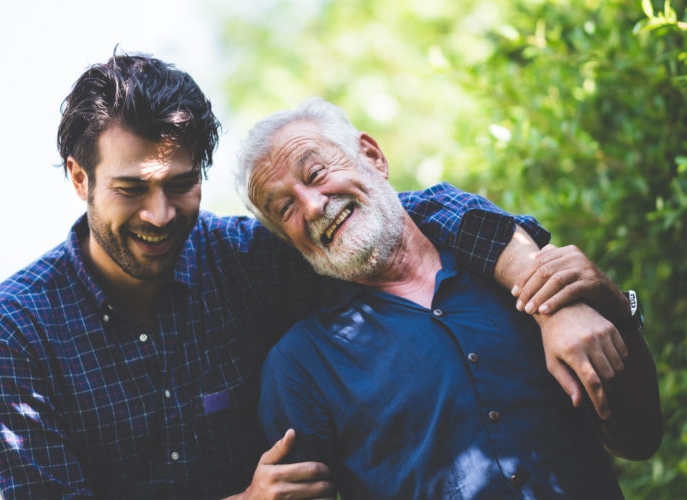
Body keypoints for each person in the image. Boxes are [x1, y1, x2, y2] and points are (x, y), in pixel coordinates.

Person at [0, 53, 607, 499]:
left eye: (180, 186)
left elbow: (395, 215)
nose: (159, 214)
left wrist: (546, 288)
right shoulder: (15, 329)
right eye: (130, 189)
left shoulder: (244, 261)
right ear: (79, 179)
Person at [238, 97, 663, 498]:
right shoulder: (299, 367)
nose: (312, 207)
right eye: (285, 209)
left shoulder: (520, 271)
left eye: (315, 174)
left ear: (372, 156)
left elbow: (638, 439)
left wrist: (614, 306)